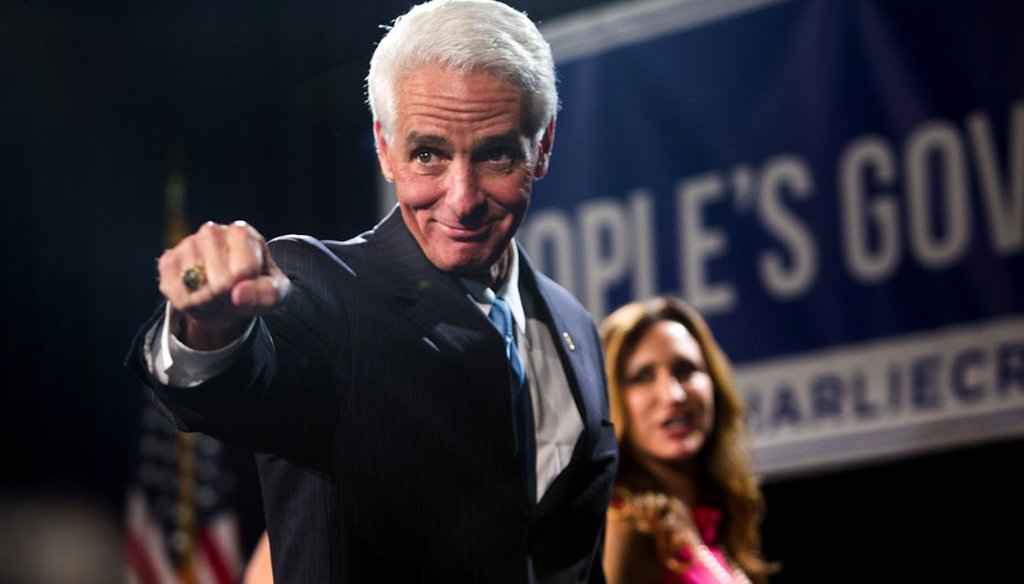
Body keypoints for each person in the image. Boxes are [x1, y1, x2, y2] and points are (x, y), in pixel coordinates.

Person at [125, 0, 618, 582]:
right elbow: (234, 383)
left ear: (543, 145)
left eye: (495, 154)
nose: (461, 199)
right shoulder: (325, 289)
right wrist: (208, 322)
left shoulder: (574, 325)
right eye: (428, 154)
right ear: (385, 148)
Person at [598, 297, 778, 584]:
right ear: (610, 398)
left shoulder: (717, 521)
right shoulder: (626, 526)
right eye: (642, 377)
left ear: (714, 383)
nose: (674, 395)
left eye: (685, 370)